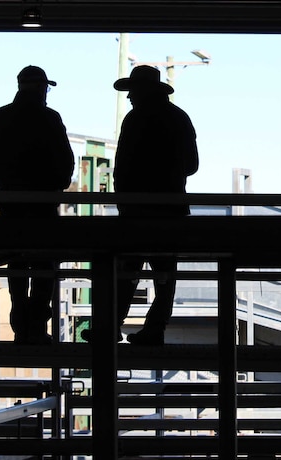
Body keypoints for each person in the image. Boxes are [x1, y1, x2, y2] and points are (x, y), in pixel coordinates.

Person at [82, 65, 198, 345]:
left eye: (132, 91)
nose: (130, 97)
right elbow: (192, 165)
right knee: (164, 276)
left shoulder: (134, 120)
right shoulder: (179, 118)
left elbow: (122, 167)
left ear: (141, 92)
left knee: (125, 272)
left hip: (134, 212)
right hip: (170, 211)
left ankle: (109, 327)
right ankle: (154, 329)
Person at [0, 65, 74, 345]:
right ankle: (37, 327)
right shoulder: (50, 119)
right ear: (43, 88)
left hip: (11, 204)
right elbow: (66, 161)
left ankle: (20, 326)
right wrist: (56, 186)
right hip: (43, 205)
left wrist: (2, 184)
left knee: (17, 265)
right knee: (44, 266)